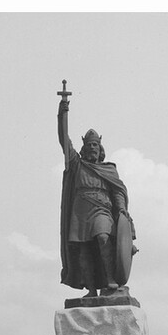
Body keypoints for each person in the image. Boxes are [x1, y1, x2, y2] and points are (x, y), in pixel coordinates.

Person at [57, 92, 136, 296]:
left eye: (95, 145)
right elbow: (64, 141)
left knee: (102, 238)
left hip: (102, 209)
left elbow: (117, 191)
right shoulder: (77, 164)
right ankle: (92, 290)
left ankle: (110, 279)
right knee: (83, 250)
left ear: (100, 149)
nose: (92, 148)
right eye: (89, 145)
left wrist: (121, 210)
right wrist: (62, 113)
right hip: (80, 211)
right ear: (84, 149)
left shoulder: (109, 169)